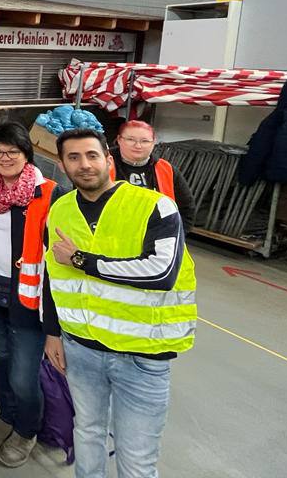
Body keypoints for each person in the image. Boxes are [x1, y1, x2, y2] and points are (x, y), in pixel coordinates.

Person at [44, 128, 197, 478]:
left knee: (137, 458)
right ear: (63, 166)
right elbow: (53, 275)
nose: (84, 165)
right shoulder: (60, 210)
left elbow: (161, 273)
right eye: (73, 158)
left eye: (92, 155)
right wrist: (52, 332)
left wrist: (83, 260)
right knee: (87, 431)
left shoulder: (155, 206)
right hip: (80, 347)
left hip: (141, 356)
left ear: (108, 160)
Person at [0, 121, 62, 468]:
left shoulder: (50, 193)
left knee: (23, 374)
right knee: (0, 358)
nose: (5, 158)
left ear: (26, 153)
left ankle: (26, 429)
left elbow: (59, 260)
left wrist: (54, 319)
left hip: (30, 300)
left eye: (13, 151)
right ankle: (7, 415)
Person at [110, 120, 194, 227]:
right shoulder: (101, 165)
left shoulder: (166, 170)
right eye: (130, 139)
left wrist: (174, 235)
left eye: (145, 141)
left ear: (153, 142)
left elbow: (186, 208)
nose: (138, 146)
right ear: (119, 140)